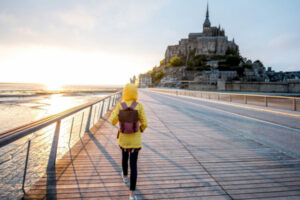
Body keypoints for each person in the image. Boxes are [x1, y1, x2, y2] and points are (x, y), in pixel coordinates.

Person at [110, 83, 147, 200]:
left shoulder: (120, 105)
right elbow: (145, 123)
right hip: (135, 142)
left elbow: (112, 121)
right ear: (135, 92)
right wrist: (140, 129)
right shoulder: (139, 105)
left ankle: (125, 176)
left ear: (124, 93)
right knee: (134, 165)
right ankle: (131, 195)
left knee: (124, 158)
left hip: (123, 140)